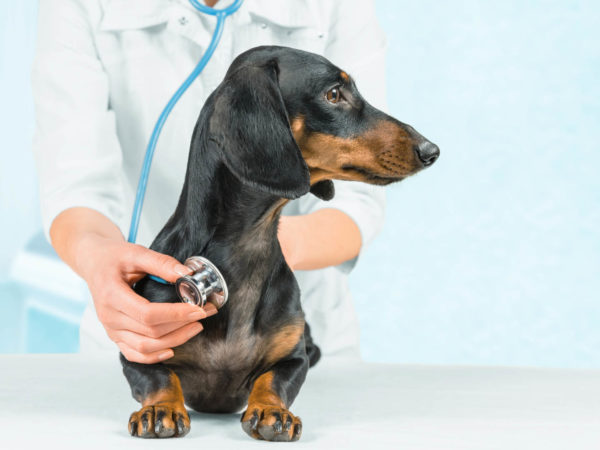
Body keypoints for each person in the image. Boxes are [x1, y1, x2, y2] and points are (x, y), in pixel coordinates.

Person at [32, 0, 387, 364]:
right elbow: (76, 183)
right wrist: (98, 259)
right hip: (146, 336)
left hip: (289, 345)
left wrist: (260, 249)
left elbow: (356, 198)